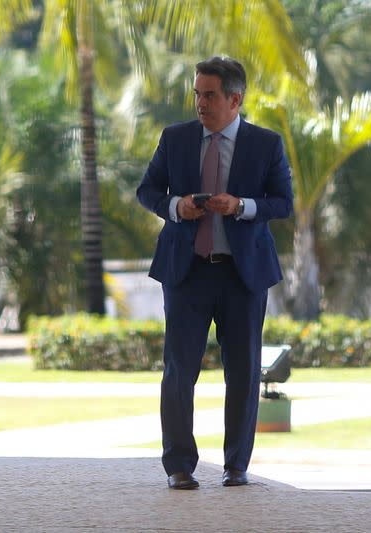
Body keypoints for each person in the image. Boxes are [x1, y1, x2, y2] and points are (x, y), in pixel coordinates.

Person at [136, 56, 293, 489]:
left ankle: (236, 465)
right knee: (179, 370)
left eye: (209, 95)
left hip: (243, 276)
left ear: (234, 99)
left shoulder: (266, 143)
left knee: (243, 371)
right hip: (186, 272)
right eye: (197, 94)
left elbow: (284, 202)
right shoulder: (175, 139)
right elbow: (146, 191)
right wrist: (176, 206)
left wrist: (243, 206)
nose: (200, 104)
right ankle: (179, 466)